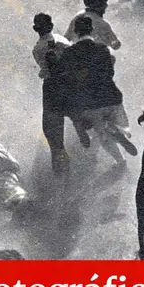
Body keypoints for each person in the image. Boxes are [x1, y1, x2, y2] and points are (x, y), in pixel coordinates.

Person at [56, 16, 137, 167]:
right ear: (91, 31)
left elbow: (67, 80)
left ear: (75, 32)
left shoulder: (69, 54)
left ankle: (119, 159)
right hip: (112, 97)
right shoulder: (102, 49)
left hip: (90, 103)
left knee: (100, 133)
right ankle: (117, 130)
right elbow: (109, 73)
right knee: (107, 125)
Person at [32, 13, 91, 174]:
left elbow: (46, 68)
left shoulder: (38, 49)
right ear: (51, 25)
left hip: (53, 86)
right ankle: (78, 123)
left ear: (36, 29)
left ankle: (61, 167)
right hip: (71, 84)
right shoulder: (64, 41)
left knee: (52, 132)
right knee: (71, 111)